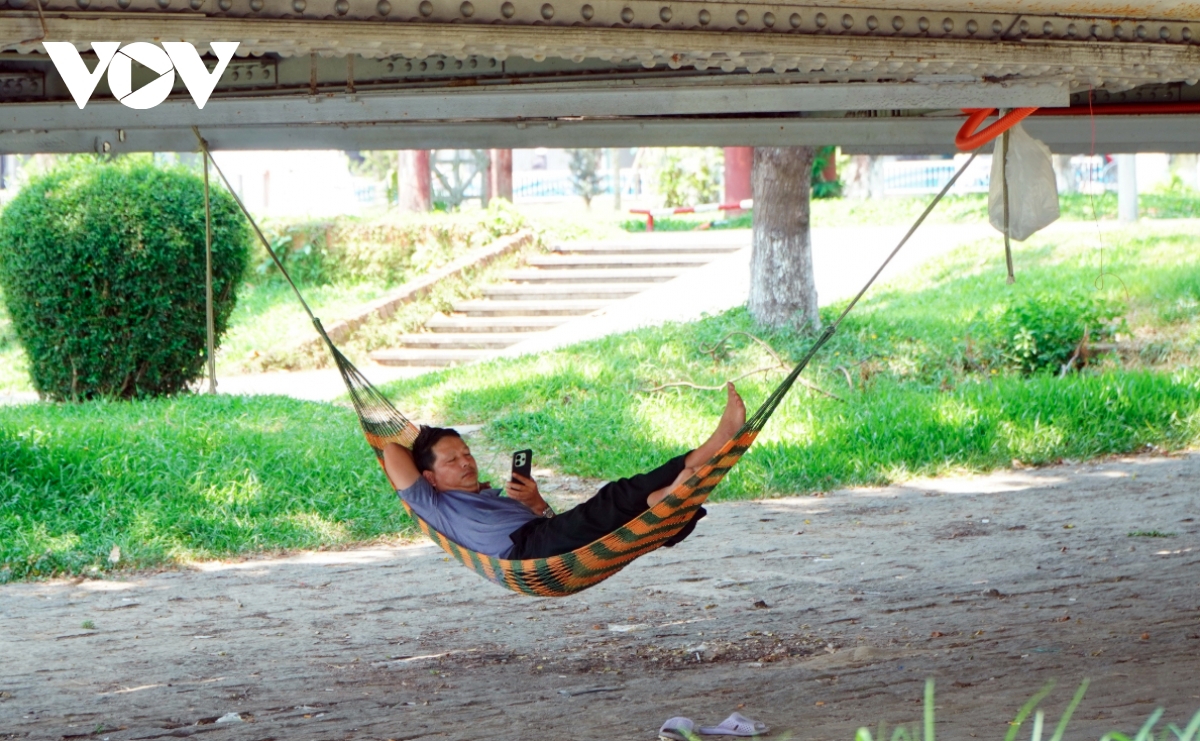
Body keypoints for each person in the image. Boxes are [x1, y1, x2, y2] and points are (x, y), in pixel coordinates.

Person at [382, 383, 746, 560]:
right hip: (526, 552)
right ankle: (670, 496)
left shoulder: (487, 495)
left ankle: (684, 477)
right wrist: (423, 445)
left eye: (466, 453)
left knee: (619, 498)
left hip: (544, 533)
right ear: (429, 477)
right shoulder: (433, 504)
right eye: (452, 460)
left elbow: (551, 523)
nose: (466, 462)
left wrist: (536, 502)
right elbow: (391, 450)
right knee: (612, 502)